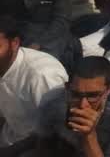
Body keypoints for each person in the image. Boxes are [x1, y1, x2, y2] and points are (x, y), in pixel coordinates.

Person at [36, 56, 110, 157]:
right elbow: (41, 147)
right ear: (67, 88)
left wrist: (89, 136)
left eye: (92, 96)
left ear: (108, 91)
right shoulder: (53, 103)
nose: (83, 105)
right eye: (76, 95)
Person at [0, 16, 68, 154]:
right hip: (8, 137)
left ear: (14, 43)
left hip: (34, 148)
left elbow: (54, 132)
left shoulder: (41, 74)